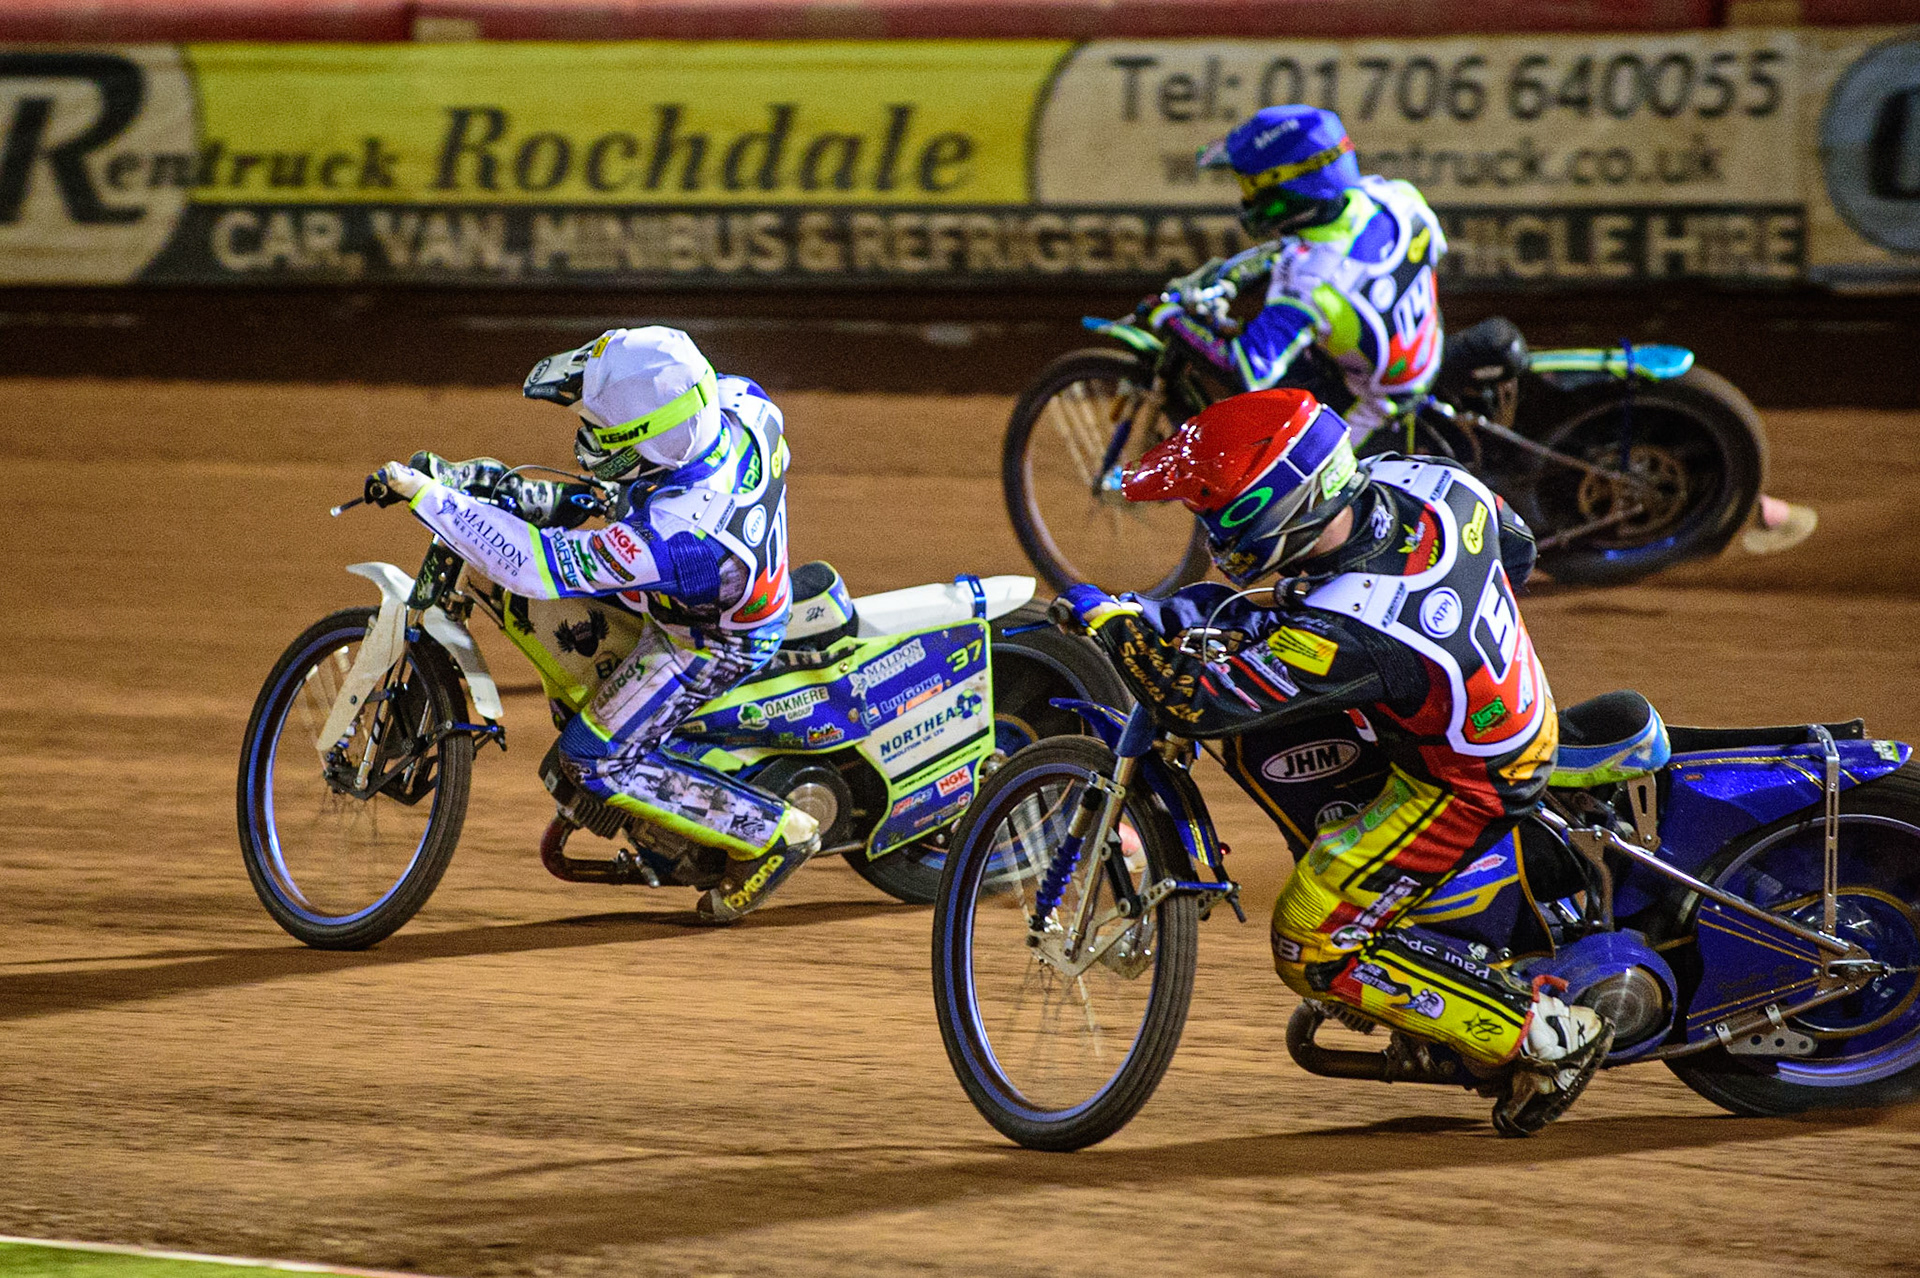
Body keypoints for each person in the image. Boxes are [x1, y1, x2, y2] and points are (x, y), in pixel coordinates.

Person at [1057, 386, 1611, 1132]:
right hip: (1491, 696)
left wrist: (1113, 624)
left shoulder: (1351, 628)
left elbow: (1197, 704)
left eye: (1213, 513)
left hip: (1467, 780)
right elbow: (1516, 549)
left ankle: (1542, 1037)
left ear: (1273, 510)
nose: (1207, 531)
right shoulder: (1425, 479)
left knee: (1309, 940)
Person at [1159, 102, 1814, 553]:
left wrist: (1179, 323)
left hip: (1379, 396)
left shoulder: (1307, 282)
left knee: (1309, 506)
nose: (1245, 199)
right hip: (1425, 345)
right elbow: (1385, 252)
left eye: (1252, 185)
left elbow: (1249, 368)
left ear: (1290, 186)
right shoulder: (1393, 196)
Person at [368, 325, 818, 924]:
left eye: (604, 436)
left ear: (657, 441)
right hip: (711, 573)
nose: (587, 442)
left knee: (592, 758)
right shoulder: (737, 400)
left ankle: (775, 833)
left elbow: (533, 566)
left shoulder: (682, 534)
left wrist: (432, 498)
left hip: (706, 642)